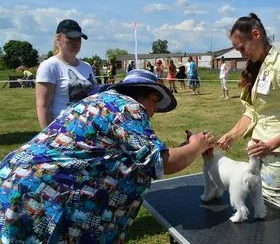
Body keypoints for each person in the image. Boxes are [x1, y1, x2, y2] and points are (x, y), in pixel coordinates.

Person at [0, 69, 215, 243]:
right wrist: (198, 145)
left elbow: (126, 156)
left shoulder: (97, 101)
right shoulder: (129, 107)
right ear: (142, 94)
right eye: (154, 102)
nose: (154, 111)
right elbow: (161, 163)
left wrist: (183, 148)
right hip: (43, 197)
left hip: (16, 185)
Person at [217, 13, 280, 209]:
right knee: (259, 212)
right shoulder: (257, 68)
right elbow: (253, 112)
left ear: (256, 34)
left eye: (242, 48)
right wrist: (232, 135)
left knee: (276, 216)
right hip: (256, 155)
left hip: (279, 159)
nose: (243, 55)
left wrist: (269, 146)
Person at [36, 19, 95, 129]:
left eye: (78, 38)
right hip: (62, 132)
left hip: (87, 130)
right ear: (58, 39)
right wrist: (48, 137)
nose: (75, 42)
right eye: (70, 38)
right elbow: (42, 106)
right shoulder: (50, 66)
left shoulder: (86, 66)